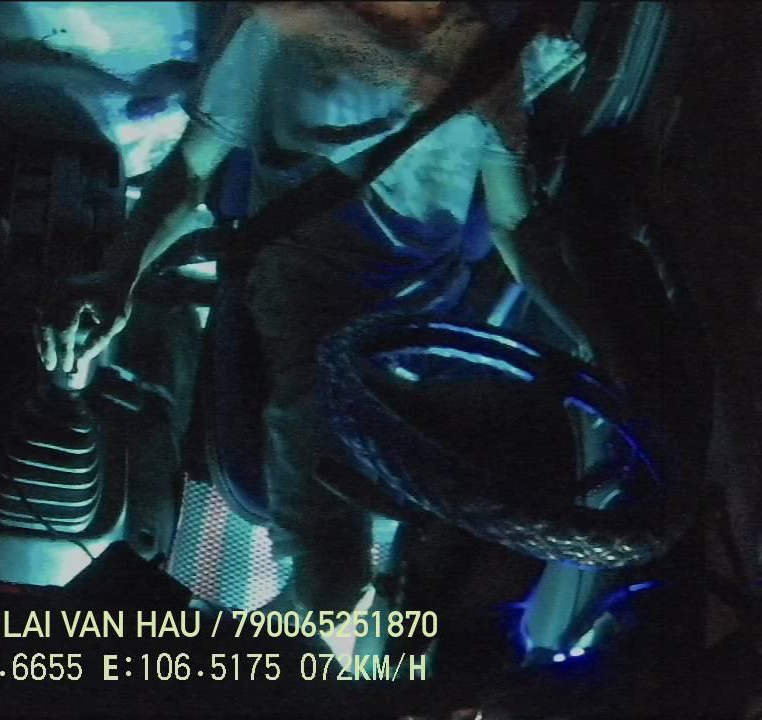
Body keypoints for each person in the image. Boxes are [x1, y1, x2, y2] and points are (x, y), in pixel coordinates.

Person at [35, 1, 625, 612]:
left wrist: (599, 338)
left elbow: (515, 224)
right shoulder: (282, 22)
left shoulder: (487, 53)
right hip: (312, 321)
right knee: (331, 589)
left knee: (511, 528)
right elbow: (190, 169)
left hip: (431, 331)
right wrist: (116, 277)